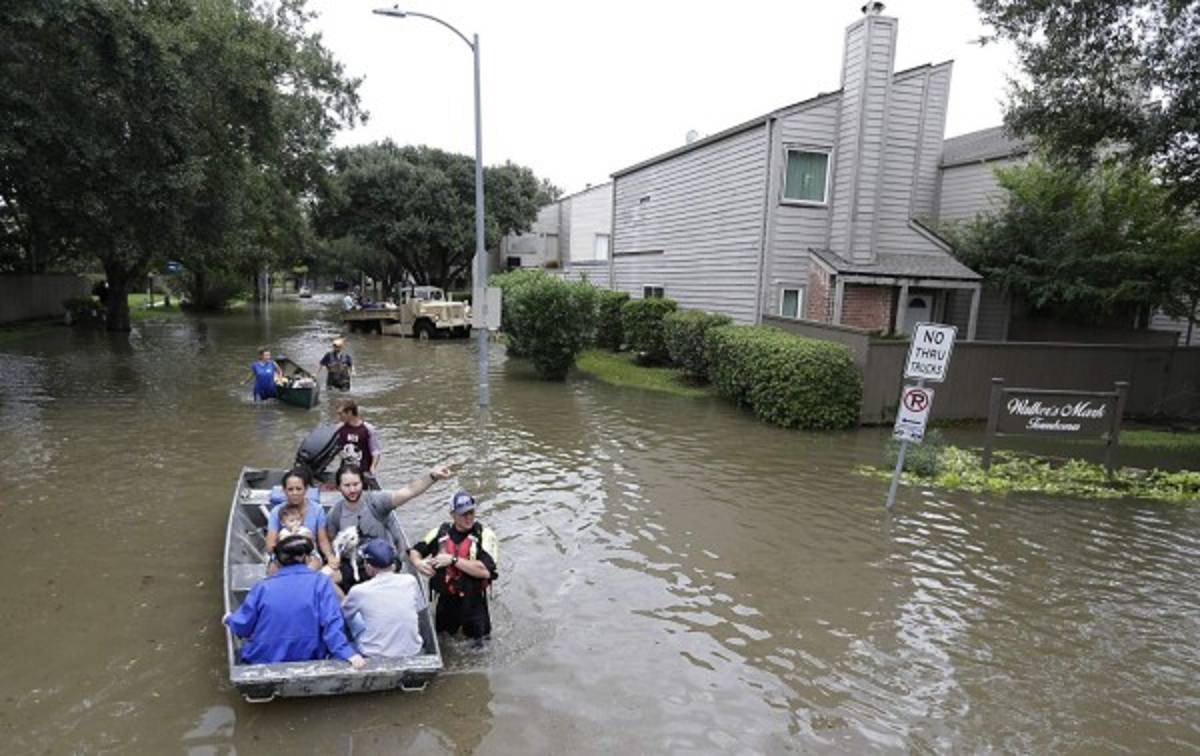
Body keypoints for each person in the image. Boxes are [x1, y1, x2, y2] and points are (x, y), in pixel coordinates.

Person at [223, 532, 365, 668]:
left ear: (277, 562)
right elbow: (331, 621)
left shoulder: (262, 587)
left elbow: (243, 625)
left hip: (264, 656)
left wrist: (230, 619)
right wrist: (347, 653)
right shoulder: (321, 582)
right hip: (309, 655)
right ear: (308, 559)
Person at [325, 462, 455, 589]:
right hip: (356, 566)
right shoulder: (335, 513)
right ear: (339, 487)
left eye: (355, 484)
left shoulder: (376, 501)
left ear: (362, 483)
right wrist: (332, 558)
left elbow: (408, 491)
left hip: (384, 563)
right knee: (325, 578)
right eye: (347, 485)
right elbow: (332, 540)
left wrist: (432, 476)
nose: (352, 490)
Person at [408, 490, 499, 641]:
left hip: (474, 602)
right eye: (463, 513)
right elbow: (414, 551)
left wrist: (453, 560)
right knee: (443, 642)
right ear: (452, 514)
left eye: (471, 512)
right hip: (447, 601)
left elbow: (485, 571)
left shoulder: (485, 535)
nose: (469, 517)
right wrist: (418, 563)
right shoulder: (440, 533)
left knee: (481, 648)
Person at [341, 539, 424, 658]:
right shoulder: (410, 580)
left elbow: (344, 615)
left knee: (354, 617)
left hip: (374, 654)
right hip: (412, 650)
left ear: (369, 567)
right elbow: (419, 609)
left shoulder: (359, 591)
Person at [264, 469, 335, 570]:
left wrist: (330, 556)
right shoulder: (277, 511)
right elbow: (270, 544)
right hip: (284, 554)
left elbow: (323, 540)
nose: (295, 493)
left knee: (309, 570)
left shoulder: (317, 510)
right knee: (274, 571)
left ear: (305, 489)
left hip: (309, 554)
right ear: (284, 490)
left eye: (298, 489)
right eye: (290, 489)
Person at [334, 399, 380, 475]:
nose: (339, 417)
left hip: (363, 471)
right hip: (345, 472)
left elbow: (375, 451)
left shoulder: (368, 429)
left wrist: (373, 467)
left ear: (349, 412)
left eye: (340, 414)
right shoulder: (338, 428)